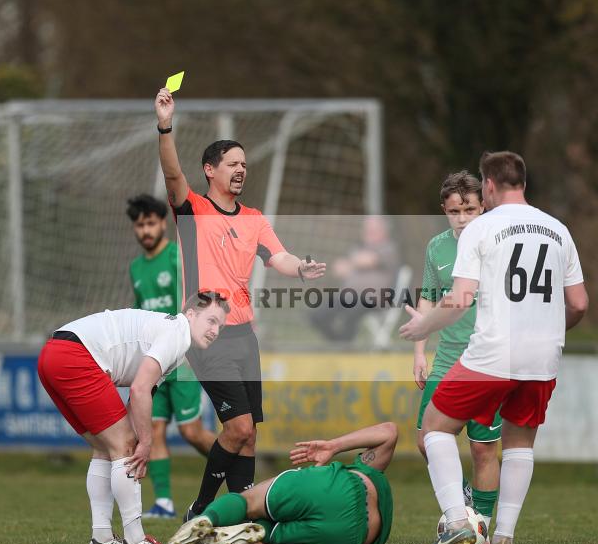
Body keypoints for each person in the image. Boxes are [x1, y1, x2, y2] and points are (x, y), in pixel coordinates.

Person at [400, 151, 588, 544]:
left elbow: (460, 298)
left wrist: (423, 327)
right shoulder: (558, 229)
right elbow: (579, 304)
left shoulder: (482, 229)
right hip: (543, 357)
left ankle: (457, 523)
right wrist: (550, 329)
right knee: (519, 444)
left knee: (434, 428)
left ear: (487, 186)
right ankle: (503, 539)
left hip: (493, 353)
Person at [154, 88, 326, 521]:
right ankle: (200, 510)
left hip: (245, 336)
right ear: (209, 170)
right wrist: (165, 126)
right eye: (232, 164)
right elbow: (172, 174)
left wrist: (300, 267)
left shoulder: (254, 219)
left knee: (249, 437)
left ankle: (242, 519)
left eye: (244, 165)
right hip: (207, 335)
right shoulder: (192, 210)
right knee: (239, 427)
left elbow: (279, 257)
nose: (241, 170)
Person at [36, 293, 229, 544]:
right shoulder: (177, 333)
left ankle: (102, 539)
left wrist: (137, 441)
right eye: (211, 321)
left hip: (53, 354)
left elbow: (141, 397)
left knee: (106, 448)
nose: (215, 331)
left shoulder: (174, 338)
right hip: (75, 355)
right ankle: (135, 540)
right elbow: (139, 389)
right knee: (123, 445)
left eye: (220, 326)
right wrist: (145, 445)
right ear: (191, 314)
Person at [162, 422, 397, 544]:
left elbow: (389, 431)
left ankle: (206, 518)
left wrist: (333, 446)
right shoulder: (375, 528)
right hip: (347, 538)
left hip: (338, 487)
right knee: (270, 533)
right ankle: (256, 534)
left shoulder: (367, 471)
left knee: (247, 502)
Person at [412, 171, 500, 534]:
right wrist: (420, 352)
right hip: (447, 359)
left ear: (483, 208)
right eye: (454, 212)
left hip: (488, 359)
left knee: (483, 449)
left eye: (470, 210)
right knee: (426, 440)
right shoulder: (437, 247)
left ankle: (483, 526)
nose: (462, 219)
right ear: (444, 211)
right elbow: (428, 298)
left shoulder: (498, 243)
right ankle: (463, 502)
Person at [126, 194, 217, 519]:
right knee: (153, 430)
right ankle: (164, 502)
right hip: (153, 363)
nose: (145, 230)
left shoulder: (177, 257)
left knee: (191, 432)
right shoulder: (136, 268)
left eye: (151, 223)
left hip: (181, 359)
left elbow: (197, 300)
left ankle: (237, 466)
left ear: (163, 223)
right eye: (140, 225)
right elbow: (140, 313)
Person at [310, 215, 400, 342]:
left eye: (372, 230)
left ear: (383, 231)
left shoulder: (388, 248)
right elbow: (343, 269)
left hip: (373, 299)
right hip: (348, 296)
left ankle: (345, 344)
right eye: (366, 229)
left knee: (351, 309)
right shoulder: (358, 249)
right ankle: (337, 342)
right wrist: (345, 268)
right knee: (318, 315)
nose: (368, 233)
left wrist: (350, 263)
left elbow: (368, 260)